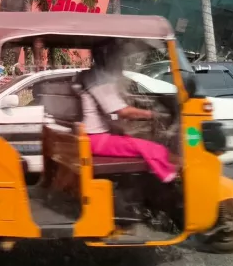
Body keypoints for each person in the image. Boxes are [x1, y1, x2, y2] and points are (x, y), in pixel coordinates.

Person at [76, 40, 177, 183]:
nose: (121, 59)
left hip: (91, 138)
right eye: (117, 54)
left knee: (143, 142)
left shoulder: (93, 75)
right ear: (105, 54)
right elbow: (122, 111)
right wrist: (154, 115)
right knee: (157, 150)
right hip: (95, 140)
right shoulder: (97, 77)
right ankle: (168, 181)